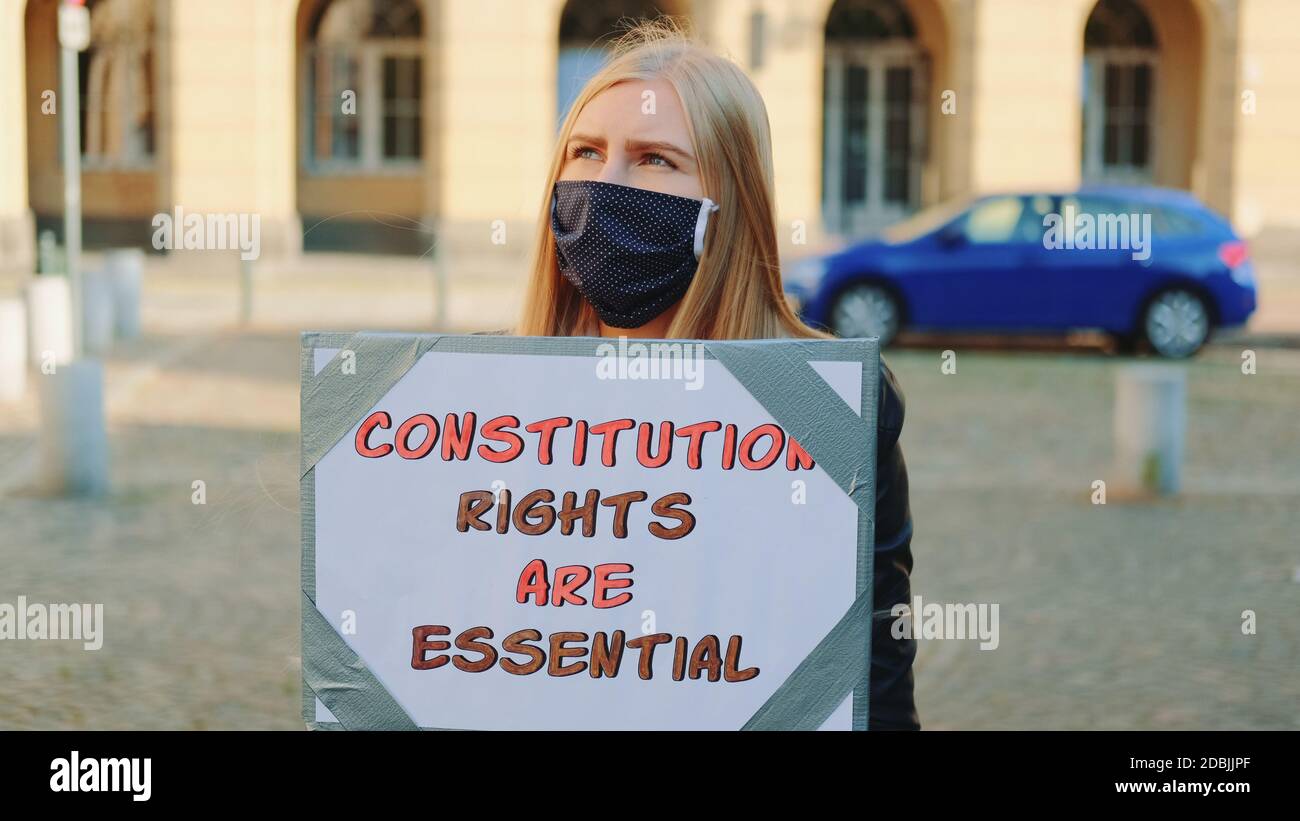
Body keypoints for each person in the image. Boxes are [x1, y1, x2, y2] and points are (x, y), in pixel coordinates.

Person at [515, 20, 919, 730]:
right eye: (585, 151)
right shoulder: (486, 398)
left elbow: (874, 677)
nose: (604, 183)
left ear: (726, 203)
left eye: (654, 160)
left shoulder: (834, 406)